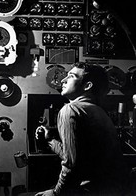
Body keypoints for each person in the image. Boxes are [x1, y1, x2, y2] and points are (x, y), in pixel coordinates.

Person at [35, 62, 129, 196]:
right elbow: (79, 158)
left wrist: (56, 193)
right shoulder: (99, 112)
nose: (63, 80)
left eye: (71, 76)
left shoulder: (71, 110)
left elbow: (72, 166)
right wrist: (50, 140)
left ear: (87, 86)